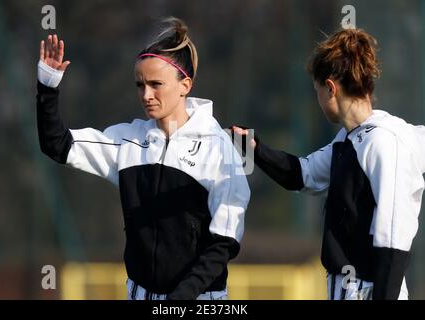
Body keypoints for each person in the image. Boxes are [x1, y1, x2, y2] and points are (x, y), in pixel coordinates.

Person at [36, 17, 250, 300]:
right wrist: (48, 86)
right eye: (140, 85)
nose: (146, 94)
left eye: (156, 84)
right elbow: (57, 144)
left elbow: (223, 243)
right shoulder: (128, 139)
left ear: (185, 85)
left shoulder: (221, 148)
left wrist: (179, 299)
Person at [231, 28, 425, 300]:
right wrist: (256, 149)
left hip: (370, 290)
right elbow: (304, 175)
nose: (319, 99)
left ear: (331, 88)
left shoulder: (384, 141)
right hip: (344, 288)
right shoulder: (349, 138)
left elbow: (394, 233)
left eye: (318, 90)